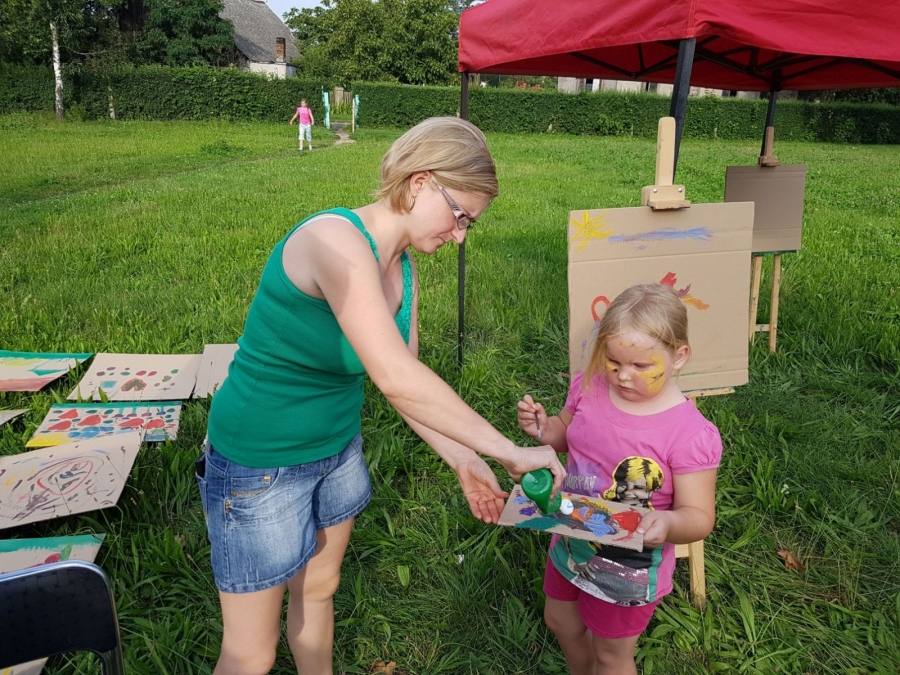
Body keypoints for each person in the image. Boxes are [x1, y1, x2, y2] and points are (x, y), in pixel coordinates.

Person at [196, 117, 566, 675]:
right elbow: (394, 376)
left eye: (470, 224)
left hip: (336, 452)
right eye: (460, 216)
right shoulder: (333, 241)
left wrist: (465, 459)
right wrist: (510, 453)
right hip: (260, 465)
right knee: (251, 653)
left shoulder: (403, 266)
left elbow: (407, 381)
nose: (460, 236)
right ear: (420, 182)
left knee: (319, 591)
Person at [517, 284, 722, 675]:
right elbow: (567, 434)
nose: (623, 376)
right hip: (571, 535)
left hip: (628, 567)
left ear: (679, 356)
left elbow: (699, 516)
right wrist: (545, 429)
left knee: (610, 654)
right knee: (560, 621)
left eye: (641, 366)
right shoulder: (592, 386)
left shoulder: (689, 435)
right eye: (613, 361)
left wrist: (670, 523)